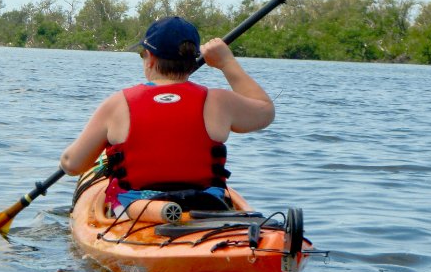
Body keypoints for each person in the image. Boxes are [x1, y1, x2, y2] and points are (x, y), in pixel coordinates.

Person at [59, 16, 274, 212]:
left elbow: (72, 164)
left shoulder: (118, 104)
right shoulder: (219, 101)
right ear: (193, 61)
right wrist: (227, 63)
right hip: (206, 208)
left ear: (150, 58)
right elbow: (265, 111)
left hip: (135, 213)